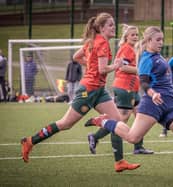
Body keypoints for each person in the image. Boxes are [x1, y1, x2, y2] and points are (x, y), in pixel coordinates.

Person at [85, 26, 173, 182]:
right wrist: (153, 93)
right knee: (132, 138)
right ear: (149, 41)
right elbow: (143, 82)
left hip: (170, 106)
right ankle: (102, 121)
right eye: (158, 39)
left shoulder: (159, 56)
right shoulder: (146, 58)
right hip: (152, 104)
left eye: (162, 39)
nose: (161, 43)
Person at [20, 12, 140, 172]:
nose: (113, 28)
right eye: (110, 25)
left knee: (117, 121)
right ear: (101, 28)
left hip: (99, 90)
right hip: (89, 90)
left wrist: (91, 66)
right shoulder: (102, 43)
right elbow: (103, 69)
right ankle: (30, 141)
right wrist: (116, 66)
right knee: (65, 124)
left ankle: (119, 162)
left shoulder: (94, 41)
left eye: (113, 24)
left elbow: (77, 57)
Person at [87, 24, 154, 155]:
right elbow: (122, 68)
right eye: (132, 35)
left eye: (136, 35)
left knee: (141, 116)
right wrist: (142, 71)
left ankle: (138, 147)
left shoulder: (132, 49)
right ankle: (95, 137)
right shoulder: (126, 49)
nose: (135, 37)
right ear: (126, 37)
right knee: (121, 119)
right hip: (125, 88)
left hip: (132, 89)